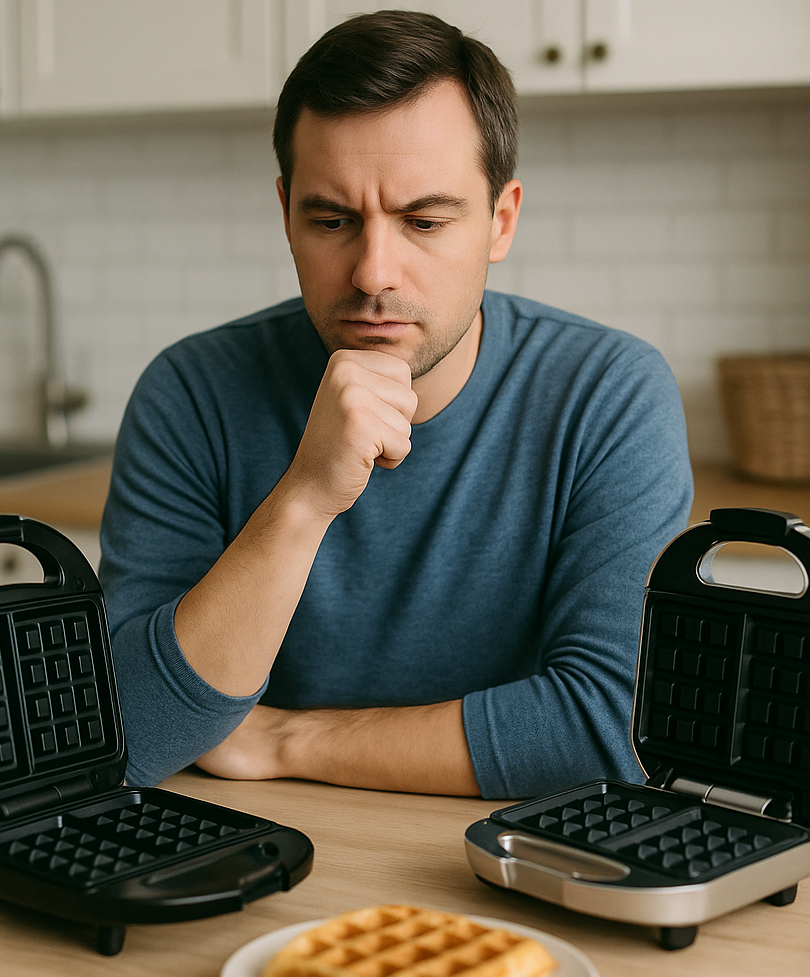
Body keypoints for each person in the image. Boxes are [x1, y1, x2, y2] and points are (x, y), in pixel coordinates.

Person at [98, 10, 693, 800]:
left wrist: (287, 738)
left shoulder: (609, 395)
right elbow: (127, 732)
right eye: (333, 219)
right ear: (285, 215)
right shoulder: (190, 394)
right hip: (251, 849)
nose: (374, 272)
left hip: (500, 857)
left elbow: (612, 728)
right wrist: (306, 498)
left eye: (425, 220)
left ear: (501, 220)